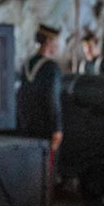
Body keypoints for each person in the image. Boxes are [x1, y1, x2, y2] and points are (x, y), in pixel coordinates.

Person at [18, 22, 65, 157]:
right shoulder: (51, 67)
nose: (57, 45)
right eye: (56, 41)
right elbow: (53, 99)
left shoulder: (26, 64)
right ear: (49, 42)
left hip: (26, 127)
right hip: (45, 130)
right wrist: (57, 129)